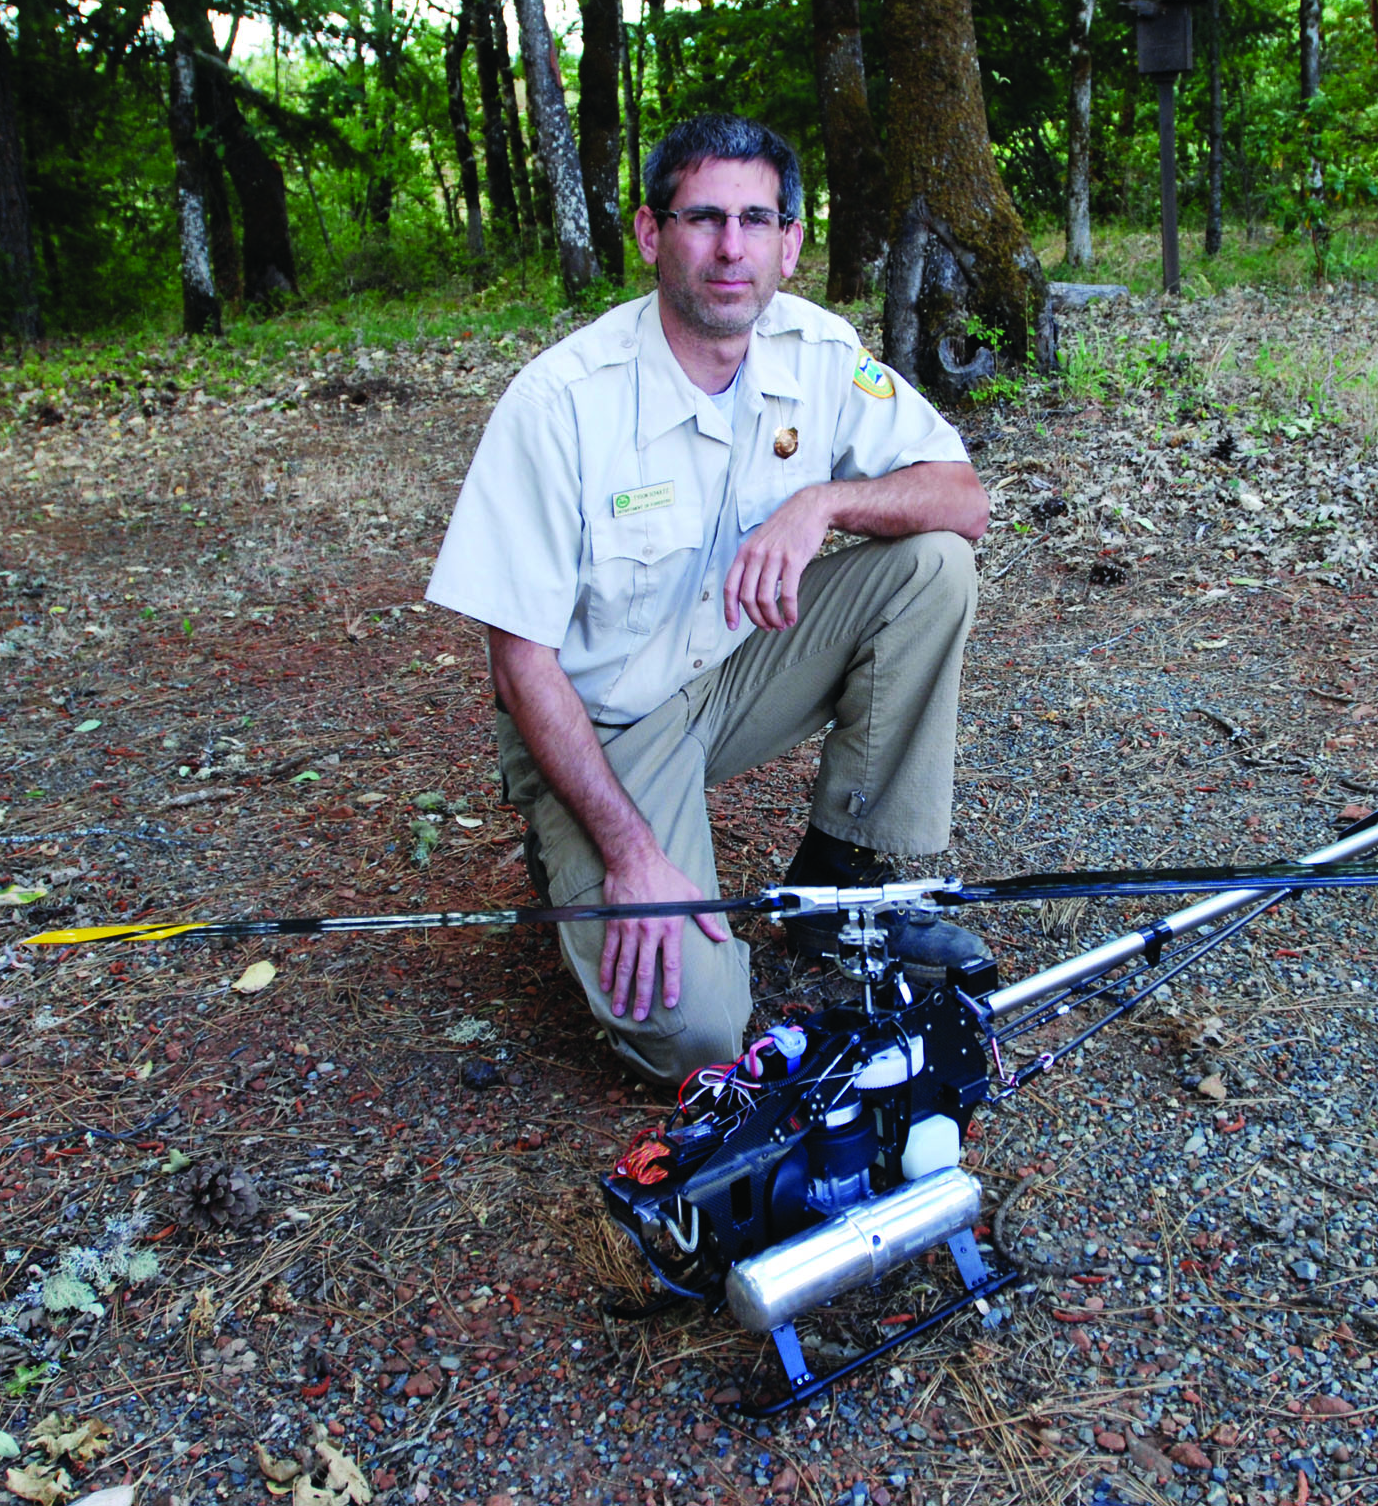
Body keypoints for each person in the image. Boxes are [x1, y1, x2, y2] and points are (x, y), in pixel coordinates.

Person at [424, 114, 990, 1087]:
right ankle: (575, 850)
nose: (732, 248)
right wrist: (630, 850)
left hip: (732, 669)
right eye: (703, 218)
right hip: (604, 724)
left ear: (791, 242)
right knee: (697, 1034)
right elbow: (520, 661)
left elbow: (962, 500)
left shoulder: (818, 353)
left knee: (931, 565)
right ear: (651, 234)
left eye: (757, 220)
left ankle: (841, 883)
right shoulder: (560, 404)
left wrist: (826, 501)